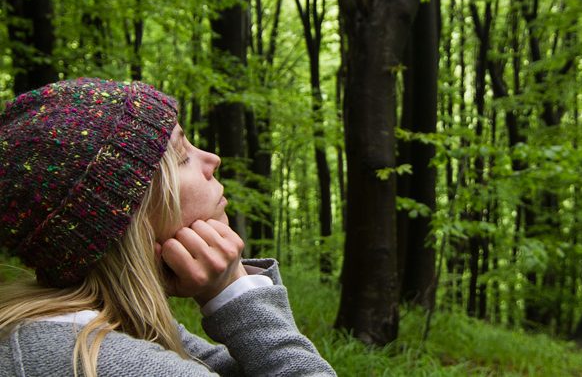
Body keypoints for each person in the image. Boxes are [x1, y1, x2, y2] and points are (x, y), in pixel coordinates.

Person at [0, 78, 336, 377]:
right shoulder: (106, 360)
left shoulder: (90, 330)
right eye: (181, 155)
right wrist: (234, 293)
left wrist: (231, 288)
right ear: (126, 216)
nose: (212, 159)